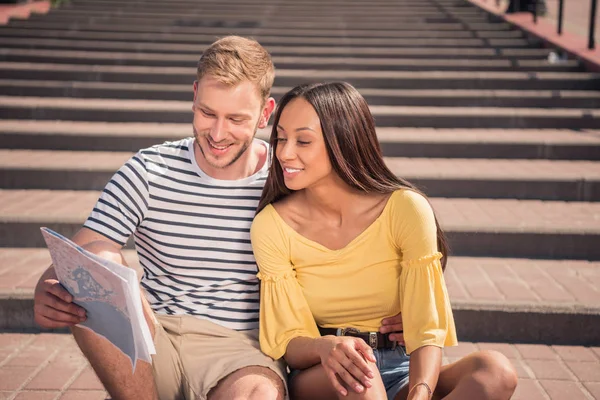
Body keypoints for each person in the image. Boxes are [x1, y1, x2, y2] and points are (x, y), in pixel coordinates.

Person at [32, 37, 406, 400]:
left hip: (244, 351)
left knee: (258, 395)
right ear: (195, 94)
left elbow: (354, 248)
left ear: (265, 114)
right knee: (100, 262)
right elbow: (78, 257)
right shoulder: (148, 170)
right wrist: (48, 288)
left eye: (236, 119)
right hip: (154, 339)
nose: (217, 133)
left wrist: (395, 307)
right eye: (207, 112)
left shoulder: (290, 178)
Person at [250, 82, 518, 400]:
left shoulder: (405, 208)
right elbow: (288, 340)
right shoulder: (272, 225)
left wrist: (421, 391)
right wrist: (326, 346)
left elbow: (425, 325)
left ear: (344, 141)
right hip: (327, 372)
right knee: (363, 382)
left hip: (401, 367)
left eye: (303, 140)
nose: (283, 152)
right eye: (280, 138)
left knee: (494, 372)